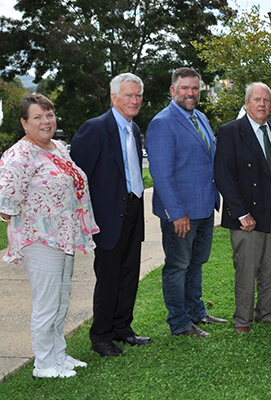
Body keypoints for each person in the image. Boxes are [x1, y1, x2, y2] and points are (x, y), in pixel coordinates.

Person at [0, 94, 98, 378]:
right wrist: (32, 220)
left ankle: (58, 354)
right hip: (40, 240)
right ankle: (43, 364)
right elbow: (5, 203)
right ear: (24, 122)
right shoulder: (19, 155)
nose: (46, 122)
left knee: (61, 300)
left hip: (64, 238)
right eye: (37, 117)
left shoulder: (57, 147)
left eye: (49, 115)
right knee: (46, 303)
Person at [72, 73, 152, 357]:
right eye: (128, 95)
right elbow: (78, 179)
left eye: (138, 95)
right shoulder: (94, 129)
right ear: (113, 97)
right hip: (107, 217)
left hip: (133, 209)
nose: (134, 100)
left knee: (129, 273)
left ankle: (122, 328)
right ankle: (101, 336)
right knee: (108, 278)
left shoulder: (133, 128)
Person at [146, 67, 227, 339]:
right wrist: (176, 212)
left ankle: (196, 312)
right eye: (185, 88)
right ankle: (180, 323)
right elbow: (162, 173)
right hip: (181, 212)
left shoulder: (200, 117)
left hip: (204, 207)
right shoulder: (162, 122)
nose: (191, 93)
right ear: (173, 90)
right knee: (178, 266)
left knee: (196, 263)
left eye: (195, 88)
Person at [215, 82, 271, 333]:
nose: (262, 104)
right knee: (247, 267)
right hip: (245, 212)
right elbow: (223, 176)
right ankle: (243, 321)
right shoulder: (230, 131)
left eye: (266, 100)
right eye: (257, 100)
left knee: (269, 265)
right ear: (247, 103)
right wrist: (240, 213)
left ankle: (267, 314)